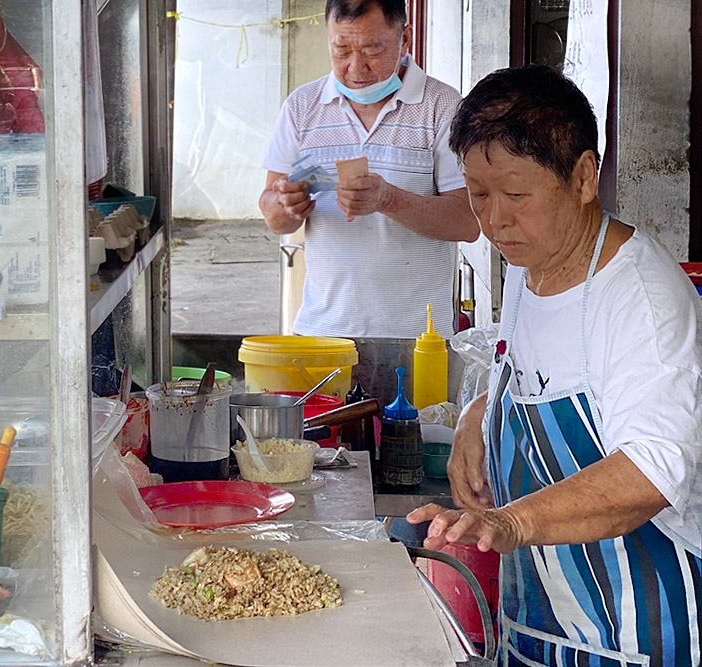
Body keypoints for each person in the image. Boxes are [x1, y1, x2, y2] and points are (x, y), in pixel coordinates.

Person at [407, 65, 702, 666]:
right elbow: (534, 372)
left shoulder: (639, 299)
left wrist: (512, 524)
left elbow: (651, 471)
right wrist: (477, 413)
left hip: (638, 638)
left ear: (584, 178)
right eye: (477, 194)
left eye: (516, 195)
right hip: (539, 628)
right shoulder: (527, 267)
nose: (493, 220)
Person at [259, 0, 478, 339]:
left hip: (419, 340)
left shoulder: (443, 107)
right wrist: (287, 205)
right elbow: (274, 217)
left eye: (372, 50)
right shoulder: (302, 107)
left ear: (405, 39)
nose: (355, 68)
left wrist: (388, 199)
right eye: (341, 49)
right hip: (322, 335)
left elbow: (468, 222)